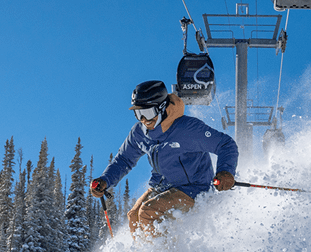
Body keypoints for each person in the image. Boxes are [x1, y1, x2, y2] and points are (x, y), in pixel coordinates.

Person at [90, 80, 238, 239]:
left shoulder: (187, 128)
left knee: (148, 213)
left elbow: (225, 144)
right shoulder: (139, 133)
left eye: (147, 113)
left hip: (193, 189)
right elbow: (124, 159)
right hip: (162, 187)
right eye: (138, 114)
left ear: (161, 108)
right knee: (134, 217)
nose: (144, 120)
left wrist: (225, 171)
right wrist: (105, 180)